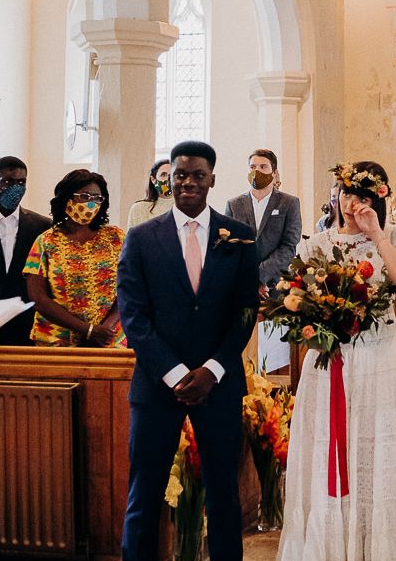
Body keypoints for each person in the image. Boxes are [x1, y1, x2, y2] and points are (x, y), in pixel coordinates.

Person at [277, 161, 396, 561]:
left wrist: (378, 237)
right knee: (329, 450)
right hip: (330, 363)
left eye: (364, 197)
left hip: (379, 360)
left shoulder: (393, 237)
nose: (354, 204)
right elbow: (297, 302)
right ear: (336, 195)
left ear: (378, 200)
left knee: (378, 447)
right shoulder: (315, 244)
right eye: (348, 194)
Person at [117, 140, 259, 561]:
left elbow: (246, 311)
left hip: (217, 384)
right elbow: (133, 315)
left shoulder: (239, 237)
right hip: (157, 386)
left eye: (198, 175)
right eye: (180, 174)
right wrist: (175, 372)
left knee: (223, 494)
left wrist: (213, 368)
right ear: (169, 179)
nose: (188, 182)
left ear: (212, 179)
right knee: (144, 492)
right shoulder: (142, 238)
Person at [23, 169, 126, 348]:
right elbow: (38, 298)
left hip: (109, 339)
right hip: (58, 340)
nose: (91, 204)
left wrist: (106, 327)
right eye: (84, 197)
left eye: (97, 198)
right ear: (67, 198)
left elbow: (129, 286)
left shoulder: (116, 238)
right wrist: (86, 329)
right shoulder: (46, 241)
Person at [224, 149, 301, 301]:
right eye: (253, 167)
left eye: (263, 167)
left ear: (274, 172)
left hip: (276, 285)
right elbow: (227, 246)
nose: (257, 171)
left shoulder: (289, 203)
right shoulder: (234, 204)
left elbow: (289, 246)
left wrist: (259, 276)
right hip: (241, 285)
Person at [0, 156, 50, 345]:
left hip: (25, 325)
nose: (16, 188)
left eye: (21, 182)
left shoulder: (42, 226)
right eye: (8, 182)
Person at [126, 159, 174, 229]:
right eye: (163, 175)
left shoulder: (188, 208)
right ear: (153, 179)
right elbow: (132, 238)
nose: (168, 179)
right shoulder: (139, 208)